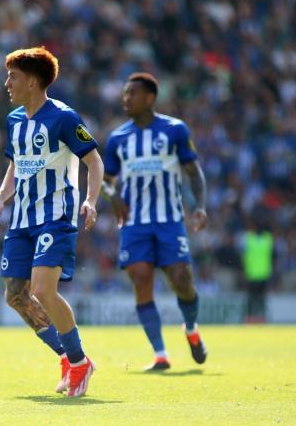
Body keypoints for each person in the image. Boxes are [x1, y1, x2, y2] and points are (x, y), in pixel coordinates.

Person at [0, 47, 104, 397]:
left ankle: (80, 362)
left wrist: (90, 200)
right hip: (21, 220)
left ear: (34, 81)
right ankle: (70, 357)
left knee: (42, 290)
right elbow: (15, 165)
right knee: (15, 295)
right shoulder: (14, 121)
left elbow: (94, 162)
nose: (7, 83)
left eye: (14, 76)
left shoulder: (64, 118)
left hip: (55, 216)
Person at [101, 72, 208, 371]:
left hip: (169, 220)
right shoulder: (118, 138)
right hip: (134, 222)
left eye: (131, 94)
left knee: (181, 280)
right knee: (139, 277)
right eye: (124, 94)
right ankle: (160, 354)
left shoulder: (174, 130)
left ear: (149, 97)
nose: (126, 99)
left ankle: (191, 329)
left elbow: (193, 172)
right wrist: (111, 196)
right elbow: (104, 181)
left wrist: (199, 206)